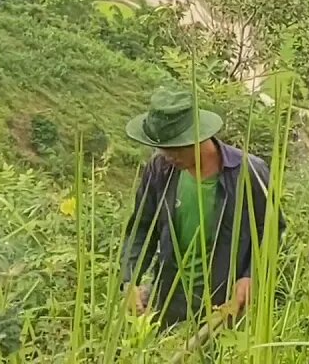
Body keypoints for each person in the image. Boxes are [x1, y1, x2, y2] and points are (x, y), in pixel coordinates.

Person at [119, 87, 284, 328]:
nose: (168, 156)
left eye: (176, 148)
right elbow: (142, 228)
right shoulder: (160, 169)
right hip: (170, 302)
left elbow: (270, 231)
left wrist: (251, 276)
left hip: (224, 307)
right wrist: (129, 279)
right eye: (163, 148)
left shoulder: (248, 172)